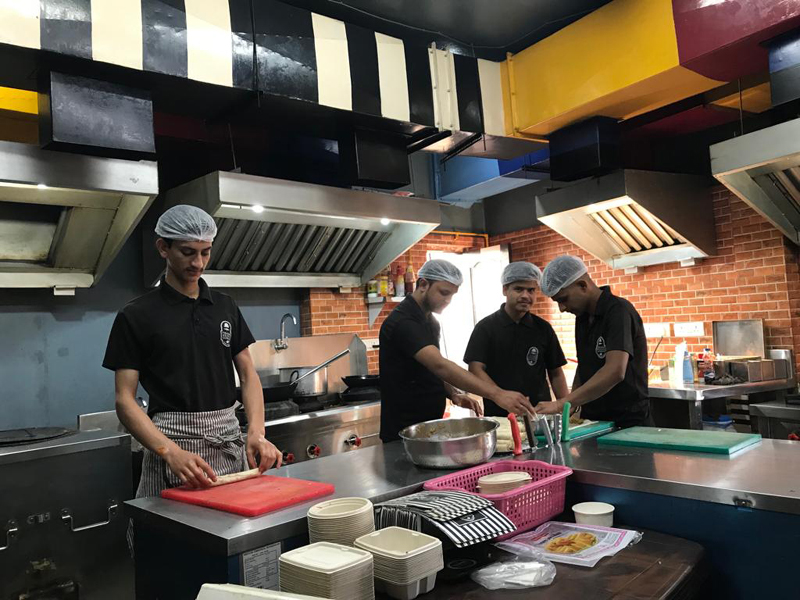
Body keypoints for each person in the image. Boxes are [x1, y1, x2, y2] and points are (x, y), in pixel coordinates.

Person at [103, 205, 282, 497]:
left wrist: (256, 433)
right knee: (174, 538)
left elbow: (248, 375)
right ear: (163, 248)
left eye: (205, 252)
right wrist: (170, 452)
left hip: (229, 445)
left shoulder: (225, 306)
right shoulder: (136, 315)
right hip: (172, 449)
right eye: (187, 252)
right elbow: (125, 400)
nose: (198, 262)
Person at [379, 259, 536, 442]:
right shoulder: (403, 322)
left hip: (429, 425)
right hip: (403, 430)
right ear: (423, 284)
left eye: (452, 295)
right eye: (444, 293)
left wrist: (453, 393)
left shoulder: (430, 322)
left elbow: (428, 369)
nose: (447, 301)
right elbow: (440, 365)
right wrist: (497, 394)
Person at [535, 256, 650, 428]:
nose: (562, 308)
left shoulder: (618, 311)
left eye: (563, 299)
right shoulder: (582, 318)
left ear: (582, 285)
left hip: (628, 421)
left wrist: (562, 403)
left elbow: (615, 371)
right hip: (595, 421)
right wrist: (572, 406)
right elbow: (585, 366)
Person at [464, 262, 569, 417]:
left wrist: (565, 407)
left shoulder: (543, 328)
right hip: (500, 414)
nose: (525, 296)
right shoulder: (486, 328)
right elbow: (475, 369)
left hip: (539, 413)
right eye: (518, 289)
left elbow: (556, 372)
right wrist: (500, 396)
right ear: (505, 290)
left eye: (531, 290)